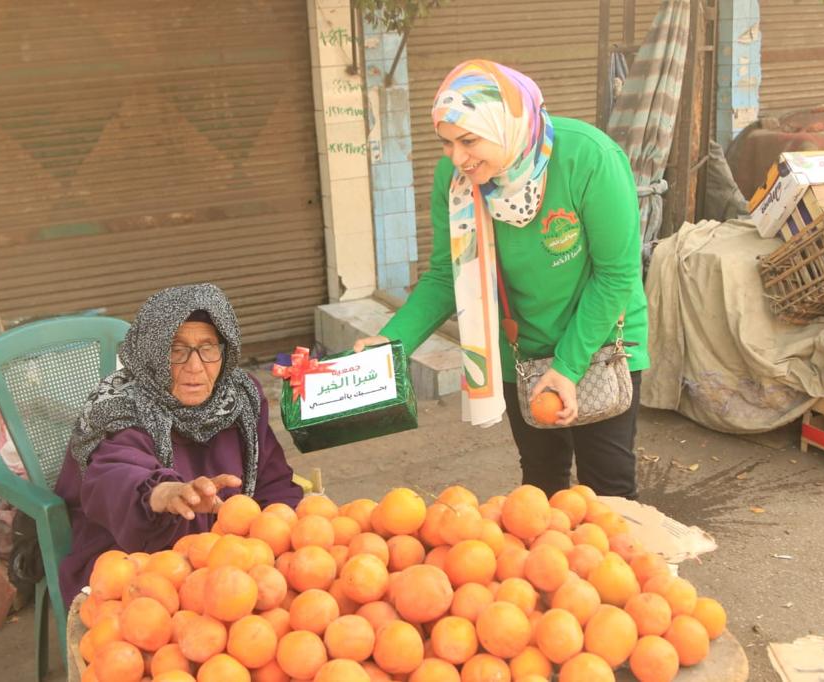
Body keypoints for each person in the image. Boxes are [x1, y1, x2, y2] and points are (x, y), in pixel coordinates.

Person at [355, 60, 649, 499]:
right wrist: (390, 343)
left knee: (608, 489)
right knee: (541, 486)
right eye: (446, 142)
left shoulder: (589, 158)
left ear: (505, 124)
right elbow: (446, 276)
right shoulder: (455, 179)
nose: (457, 157)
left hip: (601, 341)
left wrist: (568, 366)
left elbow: (615, 275)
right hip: (521, 348)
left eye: (469, 140)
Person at [55, 283, 303, 605]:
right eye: (176, 350)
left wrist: (283, 539)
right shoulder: (121, 409)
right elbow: (114, 473)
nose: (195, 367)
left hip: (232, 559)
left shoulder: (240, 400)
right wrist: (160, 494)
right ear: (152, 352)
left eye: (208, 348)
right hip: (138, 559)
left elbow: (273, 481)